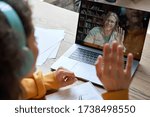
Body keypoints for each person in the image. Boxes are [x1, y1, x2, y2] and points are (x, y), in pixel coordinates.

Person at [0, 0, 133, 100]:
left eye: (113, 22)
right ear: (23, 57)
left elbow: (17, 89)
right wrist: (118, 93)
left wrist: (46, 81)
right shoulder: (95, 31)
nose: (110, 24)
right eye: (34, 37)